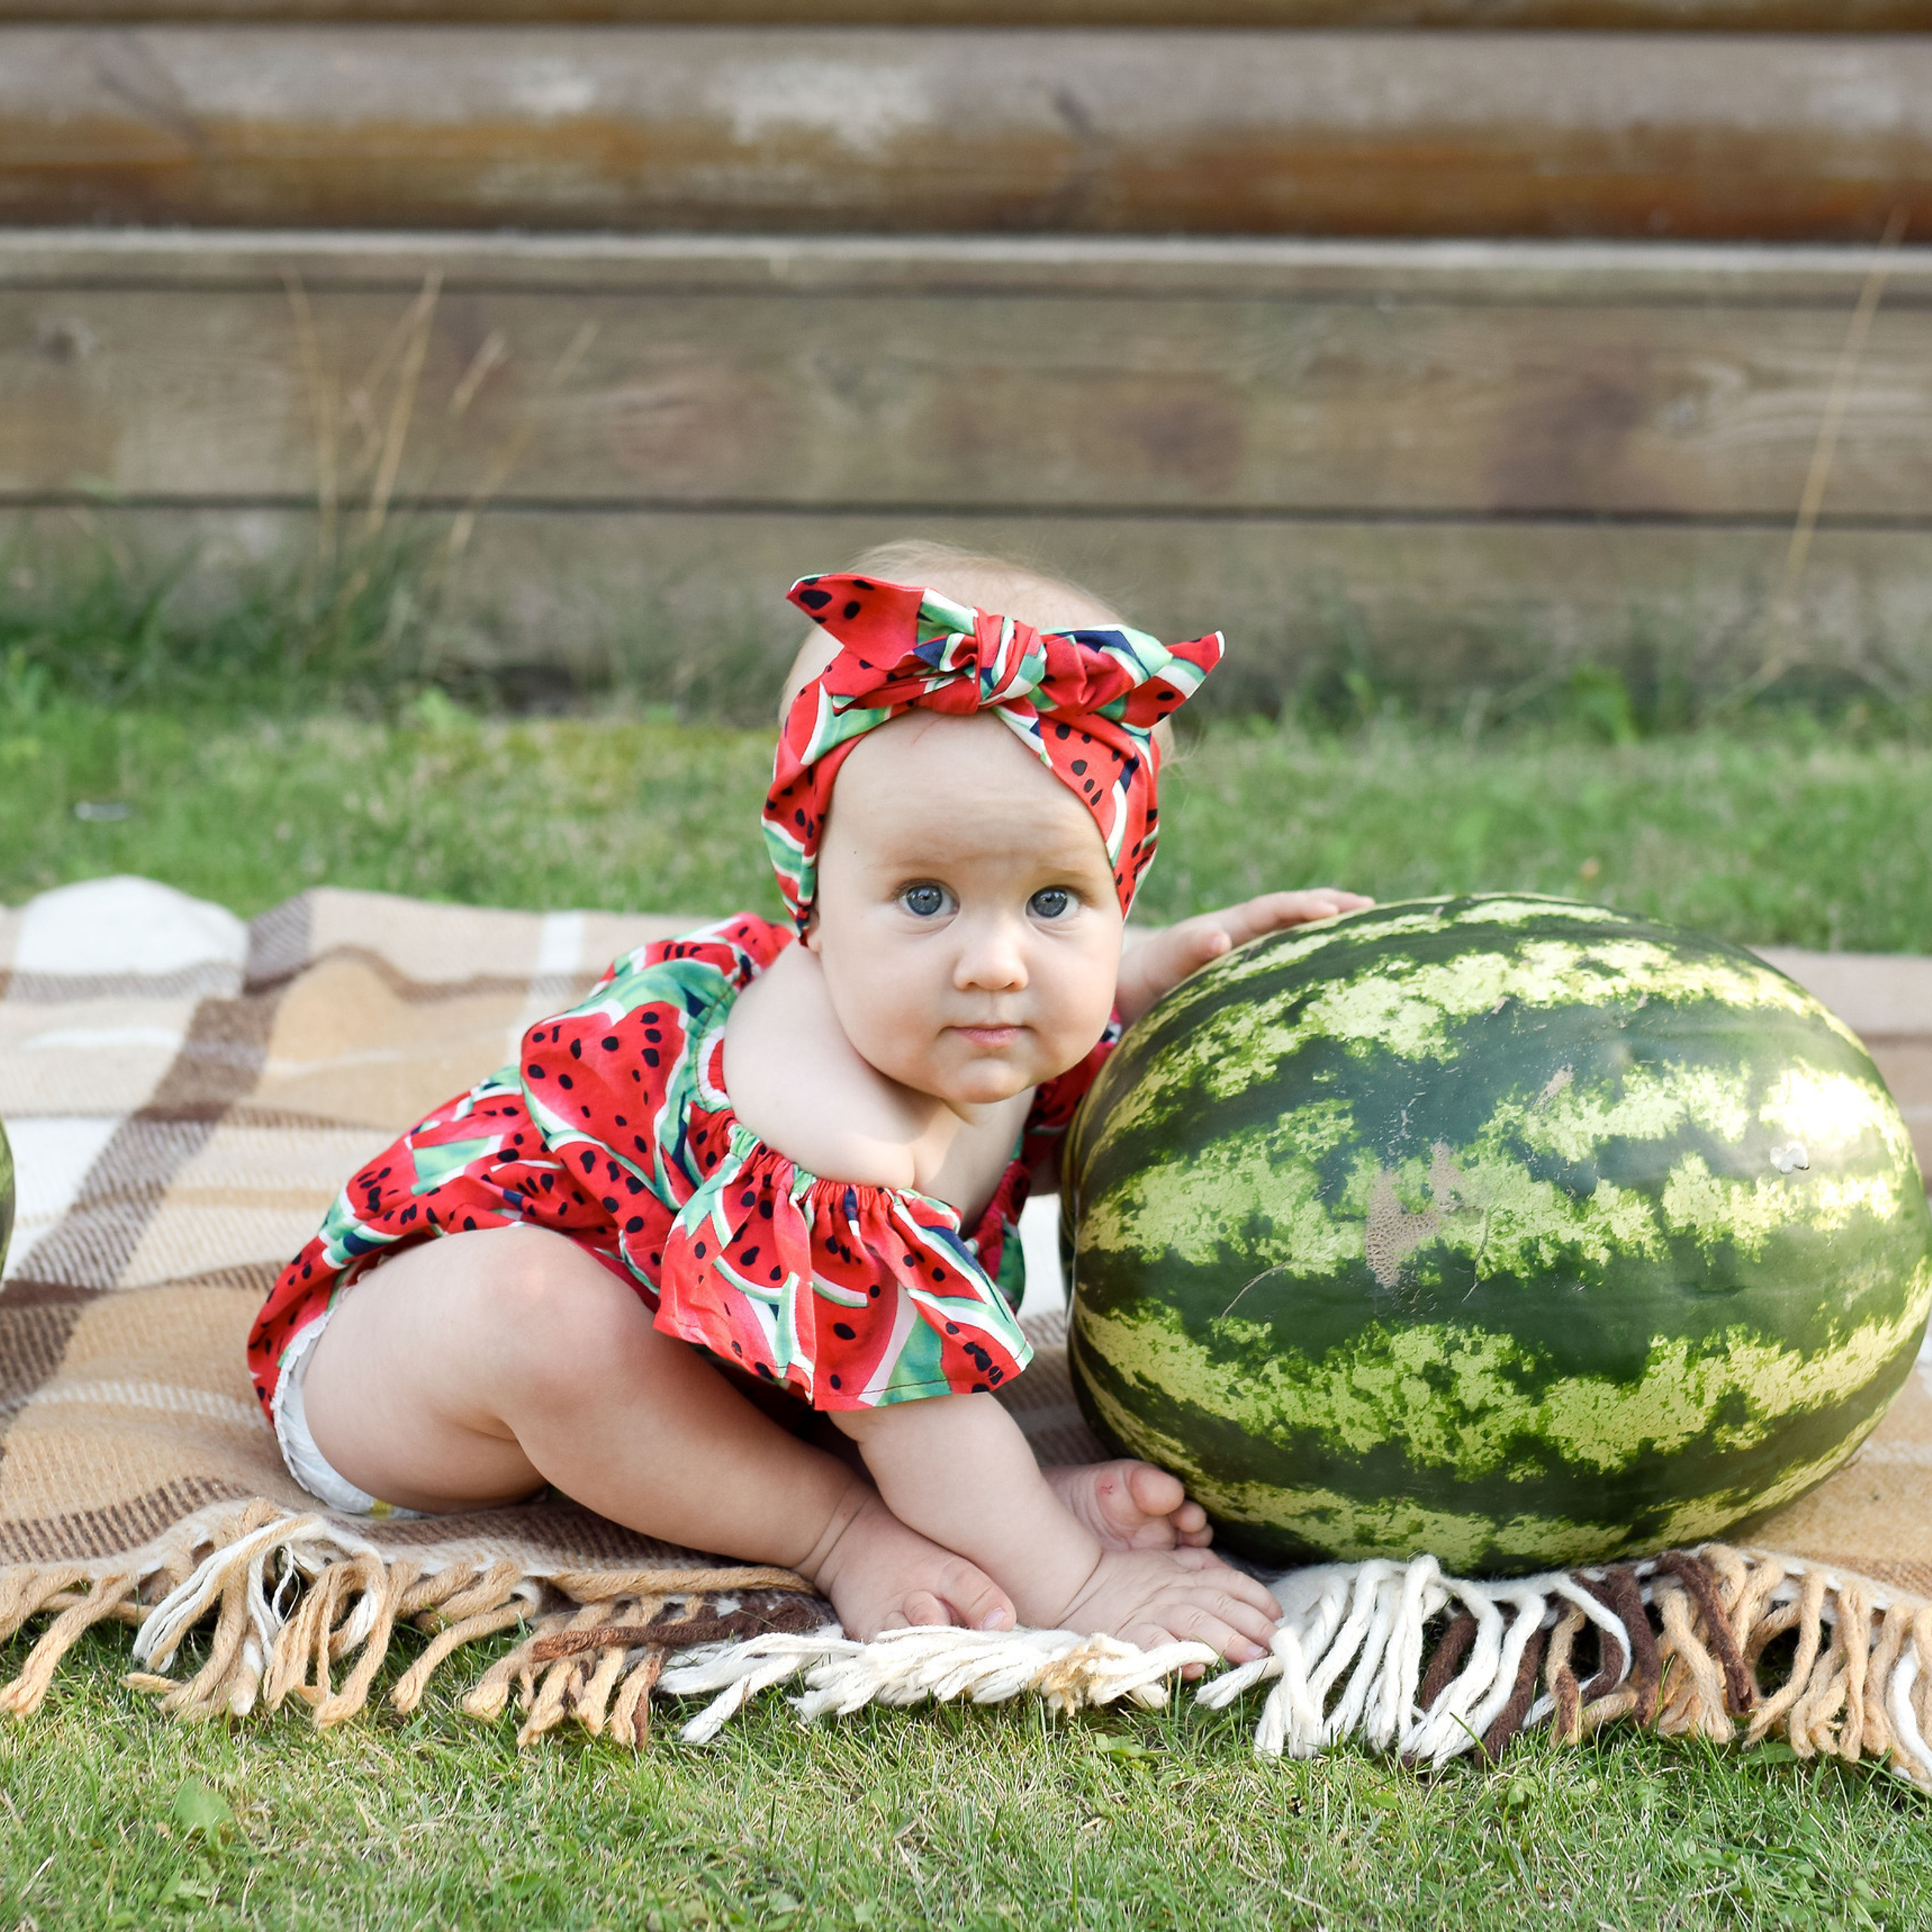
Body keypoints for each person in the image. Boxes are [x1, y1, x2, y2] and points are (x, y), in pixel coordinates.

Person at [245, 542, 1371, 1660]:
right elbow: (903, 1394)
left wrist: (1151, 969)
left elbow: (1052, 984)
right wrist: (1072, 1583)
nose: (995, 963)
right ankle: (843, 1527)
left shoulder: (960, 1016)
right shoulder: (833, 1132)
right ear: (813, 897)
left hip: (738, 1382)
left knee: (851, 1394)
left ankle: (967, 1498)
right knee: (540, 1313)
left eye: (1056, 900)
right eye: (925, 898)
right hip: (423, 1391)